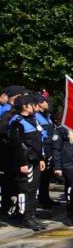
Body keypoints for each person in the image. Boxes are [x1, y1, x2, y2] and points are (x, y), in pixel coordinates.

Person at [8, 94, 47, 231]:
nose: (34, 107)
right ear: (25, 106)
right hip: (25, 161)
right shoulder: (16, 121)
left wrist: (41, 158)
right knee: (25, 189)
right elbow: (17, 144)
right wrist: (22, 163)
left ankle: (32, 215)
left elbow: (38, 141)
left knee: (33, 189)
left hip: (35, 159)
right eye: (31, 104)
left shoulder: (33, 119)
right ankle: (24, 217)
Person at [0, 86, 27, 222]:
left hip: (8, 149)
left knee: (8, 181)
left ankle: (7, 207)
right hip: (9, 150)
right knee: (10, 181)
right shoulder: (8, 111)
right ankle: (9, 208)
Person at [33, 94, 56, 209]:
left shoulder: (47, 116)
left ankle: (45, 197)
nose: (48, 103)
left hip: (50, 147)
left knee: (47, 176)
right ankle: (40, 200)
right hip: (44, 148)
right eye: (45, 101)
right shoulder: (36, 116)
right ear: (40, 103)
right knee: (41, 176)